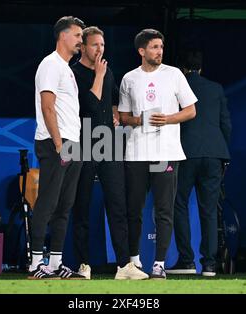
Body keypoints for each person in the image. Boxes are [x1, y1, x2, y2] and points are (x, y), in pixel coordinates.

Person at [118, 29, 197, 279]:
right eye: (154, 47)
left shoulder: (174, 75)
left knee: (164, 209)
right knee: (134, 209)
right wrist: (139, 119)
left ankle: (159, 264)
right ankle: (133, 262)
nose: (159, 51)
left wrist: (168, 119)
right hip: (137, 152)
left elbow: (191, 110)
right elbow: (123, 117)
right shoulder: (129, 79)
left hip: (166, 152)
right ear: (141, 51)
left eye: (161, 47)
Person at [71, 26, 148, 280]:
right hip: (83, 143)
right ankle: (83, 264)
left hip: (109, 144)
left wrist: (115, 114)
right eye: (95, 45)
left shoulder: (108, 72)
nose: (100, 49)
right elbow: (90, 105)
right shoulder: (75, 74)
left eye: (102, 45)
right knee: (81, 205)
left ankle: (124, 265)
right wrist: (99, 76)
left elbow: (112, 101)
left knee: (118, 204)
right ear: (82, 47)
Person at [29, 16, 86, 280]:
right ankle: (35, 264)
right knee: (47, 203)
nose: (80, 40)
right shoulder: (50, 64)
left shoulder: (67, 69)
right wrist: (58, 143)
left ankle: (55, 263)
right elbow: (47, 106)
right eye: (77, 35)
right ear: (62, 36)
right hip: (56, 143)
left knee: (65, 205)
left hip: (72, 144)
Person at [167, 49, 232, 277]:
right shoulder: (216, 88)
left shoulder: (176, 88)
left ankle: (186, 261)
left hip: (185, 153)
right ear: (201, 67)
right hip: (214, 155)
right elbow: (226, 125)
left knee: (178, 204)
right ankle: (210, 265)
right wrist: (222, 153)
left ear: (182, 69)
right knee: (209, 209)